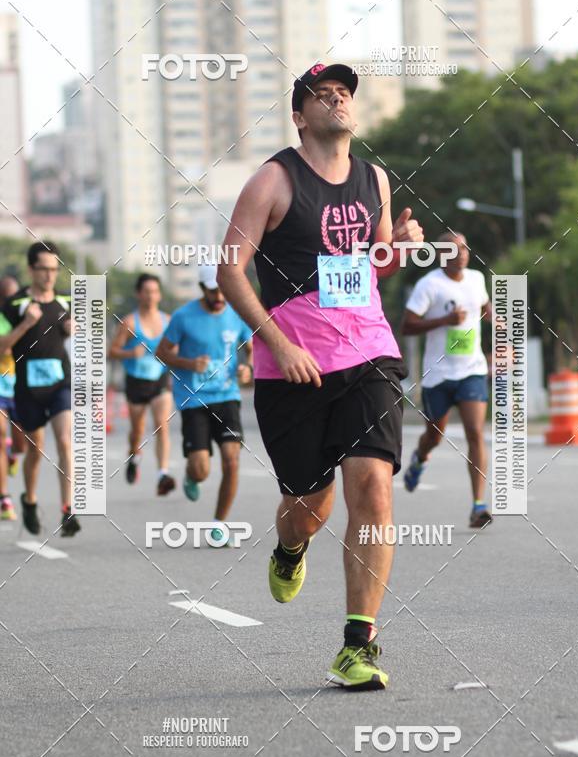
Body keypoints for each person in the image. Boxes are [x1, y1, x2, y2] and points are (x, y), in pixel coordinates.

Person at [217, 62, 424, 690]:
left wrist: (399, 248)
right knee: (308, 506)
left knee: (374, 489)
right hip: (295, 367)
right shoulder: (273, 181)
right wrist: (278, 345)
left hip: (368, 353)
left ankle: (357, 645)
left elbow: (372, 264)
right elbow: (230, 271)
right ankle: (290, 546)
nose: (336, 100)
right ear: (300, 116)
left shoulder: (375, 180)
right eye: (321, 95)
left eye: (343, 93)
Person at [400, 232, 493, 528]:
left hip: (472, 370)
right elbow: (407, 326)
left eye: (465, 246)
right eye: (454, 249)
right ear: (442, 255)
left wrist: (498, 323)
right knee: (434, 437)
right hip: (438, 375)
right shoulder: (429, 285)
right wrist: (444, 321)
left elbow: (483, 307)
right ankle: (420, 457)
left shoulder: (477, 279)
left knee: (475, 433)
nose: (462, 252)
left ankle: (479, 505)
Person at [156, 264, 253, 545]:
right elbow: (162, 352)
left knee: (231, 461)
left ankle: (219, 524)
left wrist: (248, 369)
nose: (220, 296)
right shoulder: (183, 317)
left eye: (223, 289)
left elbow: (252, 348)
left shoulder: (237, 311)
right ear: (202, 289)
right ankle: (191, 476)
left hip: (227, 396)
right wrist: (188, 363)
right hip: (193, 399)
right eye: (214, 291)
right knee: (201, 469)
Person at [0, 242, 80, 536]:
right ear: (31, 269)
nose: (49, 275)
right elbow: (1, 347)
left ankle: (67, 510)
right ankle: (30, 501)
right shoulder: (15, 305)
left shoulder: (66, 301)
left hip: (60, 383)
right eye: (44, 269)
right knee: (36, 450)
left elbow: (88, 340)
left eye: (54, 269)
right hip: (28, 388)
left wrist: (76, 329)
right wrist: (25, 325)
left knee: (65, 441)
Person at [108, 273, 175, 495]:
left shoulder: (168, 321)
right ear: (139, 294)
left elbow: (176, 349)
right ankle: (134, 455)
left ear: (159, 294)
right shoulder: (129, 322)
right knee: (137, 430)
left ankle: (162, 473)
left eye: (155, 291)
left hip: (160, 380)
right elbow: (112, 351)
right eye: (146, 291)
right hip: (136, 381)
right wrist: (131, 353)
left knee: (161, 425)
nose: (151, 296)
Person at [0, 276, 19, 520]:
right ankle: (4, 496)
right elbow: (4, 347)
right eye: (7, 296)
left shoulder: (26, 315)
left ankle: (13, 452)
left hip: (21, 386)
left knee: (22, 443)